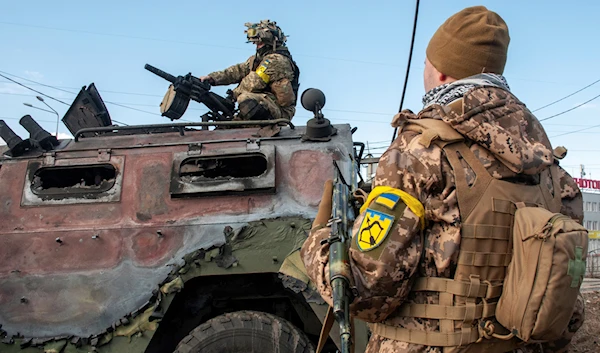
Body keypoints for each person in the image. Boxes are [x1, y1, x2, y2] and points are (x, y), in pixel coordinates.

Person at [301, 6, 585, 353]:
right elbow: (566, 301)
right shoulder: (550, 168)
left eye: (426, 62)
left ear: (442, 73)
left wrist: (318, 243)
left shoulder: (418, 152)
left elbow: (364, 293)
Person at [199, 20, 300, 121]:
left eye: (259, 43)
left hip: (280, 111)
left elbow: (254, 82)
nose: (257, 46)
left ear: (269, 41)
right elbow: (237, 71)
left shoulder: (276, 60)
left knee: (245, 98)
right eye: (255, 43)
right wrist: (212, 78)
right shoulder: (257, 59)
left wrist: (232, 96)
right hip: (264, 102)